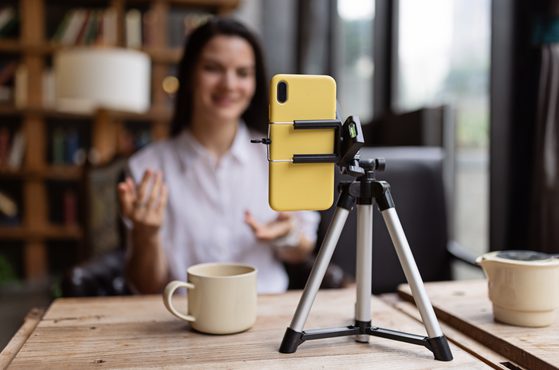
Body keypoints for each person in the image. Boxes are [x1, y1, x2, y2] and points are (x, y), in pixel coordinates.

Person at [117, 17, 320, 294]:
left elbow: (303, 249)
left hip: (269, 315)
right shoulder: (147, 167)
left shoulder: (281, 156)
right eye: (213, 68)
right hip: (184, 318)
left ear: (255, 82)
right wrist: (147, 235)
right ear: (189, 75)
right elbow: (147, 286)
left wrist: (287, 235)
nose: (229, 84)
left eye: (243, 73)